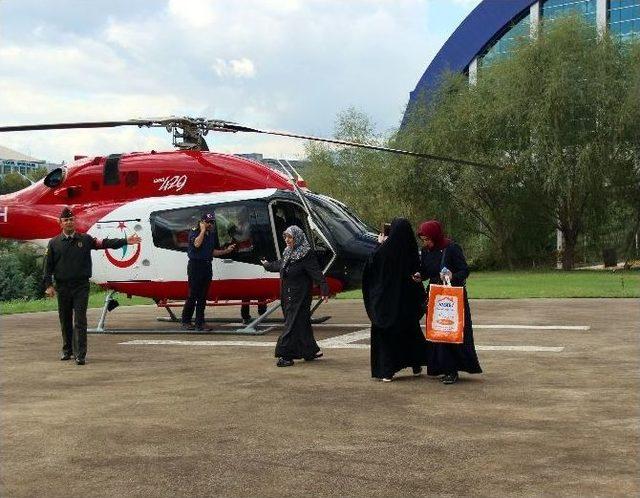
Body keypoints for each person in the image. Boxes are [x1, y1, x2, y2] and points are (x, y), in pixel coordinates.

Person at [43, 206, 141, 365]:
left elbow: (104, 243)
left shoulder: (85, 239)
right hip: (63, 287)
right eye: (65, 220)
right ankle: (67, 350)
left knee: (80, 320)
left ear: (74, 221)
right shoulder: (54, 243)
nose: (69, 222)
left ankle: (80, 354)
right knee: (65, 319)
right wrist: (49, 285)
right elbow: (47, 267)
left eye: (71, 219)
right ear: (60, 223)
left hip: (81, 286)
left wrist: (125, 241)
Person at [413, 219, 482, 385]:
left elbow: (464, 270)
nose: (426, 243)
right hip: (435, 296)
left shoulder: (451, 248)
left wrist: (453, 276)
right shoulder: (426, 251)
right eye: (423, 240)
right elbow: (426, 271)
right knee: (438, 332)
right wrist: (419, 276)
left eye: (428, 239)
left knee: (452, 331)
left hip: (452, 297)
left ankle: (453, 369)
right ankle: (442, 367)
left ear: (436, 236)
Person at [362, 218, 428, 382]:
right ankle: (416, 363)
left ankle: (386, 370)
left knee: (385, 334)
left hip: (386, 301)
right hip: (405, 302)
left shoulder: (385, 250)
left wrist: (380, 244)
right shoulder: (410, 249)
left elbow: (372, 266)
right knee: (409, 332)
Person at [261, 225, 329, 367]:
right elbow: (281, 265)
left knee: (291, 325)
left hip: (299, 297)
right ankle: (310, 351)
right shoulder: (288, 252)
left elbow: (316, 272)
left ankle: (285, 355)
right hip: (287, 296)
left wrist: (324, 288)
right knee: (302, 323)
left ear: (297, 237)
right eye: (285, 236)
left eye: (290, 237)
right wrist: (267, 265)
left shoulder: (305, 254)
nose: (287, 239)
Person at [181, 213, 236, 331]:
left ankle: (200, 322)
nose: (210, 225)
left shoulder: (211, 234)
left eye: (212, 222)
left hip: (206, 265)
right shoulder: (195, 231)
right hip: (195, 266)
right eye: (208, 222)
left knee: (202, 296)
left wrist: (226, 251)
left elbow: (211, 252)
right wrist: (202, 230)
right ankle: (186, 320)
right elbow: (196, 244)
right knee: (193, 295)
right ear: (202, 222)